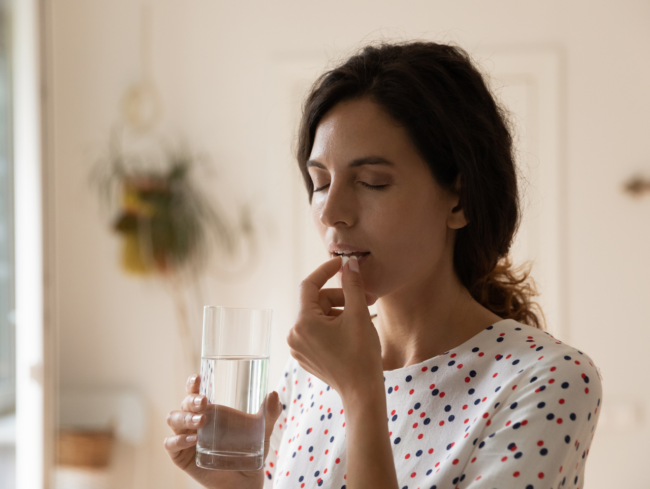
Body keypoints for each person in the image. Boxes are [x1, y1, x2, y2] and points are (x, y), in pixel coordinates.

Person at [164, 41, 603, 489]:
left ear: (460, 199)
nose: (332, 211)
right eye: (320, 182)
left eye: (371, 182)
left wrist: (361, 394)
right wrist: (239, 484)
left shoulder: (547, 380)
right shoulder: (311, 374)